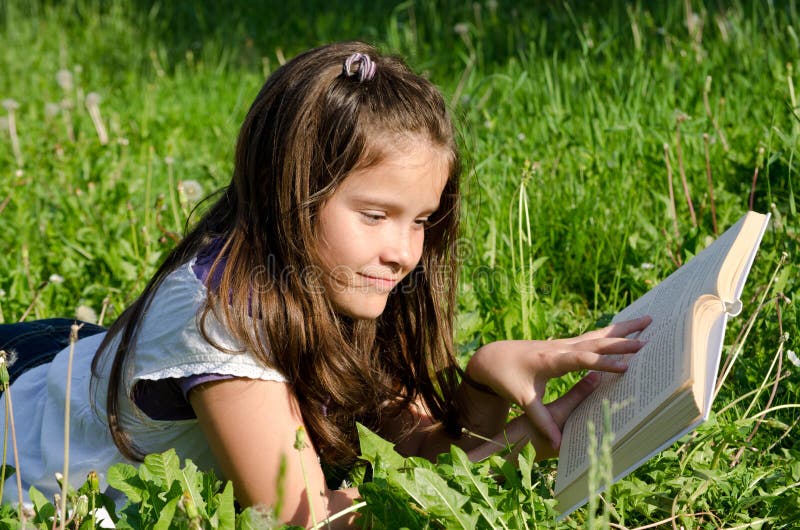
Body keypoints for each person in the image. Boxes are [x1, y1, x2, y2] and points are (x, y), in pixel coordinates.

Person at [0, 42, 649, 527]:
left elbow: (422, 445)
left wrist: (483, 379)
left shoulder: (336, 275)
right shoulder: (222, 319)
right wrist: (509, 452)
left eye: (420, 220)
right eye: (374, 215)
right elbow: (306, 520)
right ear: (289, 193)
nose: (402, 252)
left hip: (70, 358)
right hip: (23, 430)